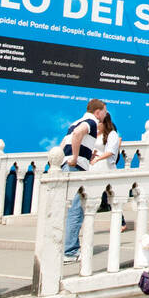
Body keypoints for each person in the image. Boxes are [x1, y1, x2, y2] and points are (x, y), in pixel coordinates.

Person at [62, 98, 109, 263]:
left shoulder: (75, 122)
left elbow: (64, 143)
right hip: (74, 167)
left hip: (66, 166)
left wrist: (86, 156)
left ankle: (67, 248)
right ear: (98, 112)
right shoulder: (91, 121)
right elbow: (77, 135)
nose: (105, 114)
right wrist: (75, 158)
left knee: (70, 209)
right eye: (104, 111)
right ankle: (70, 252)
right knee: (76, 209)